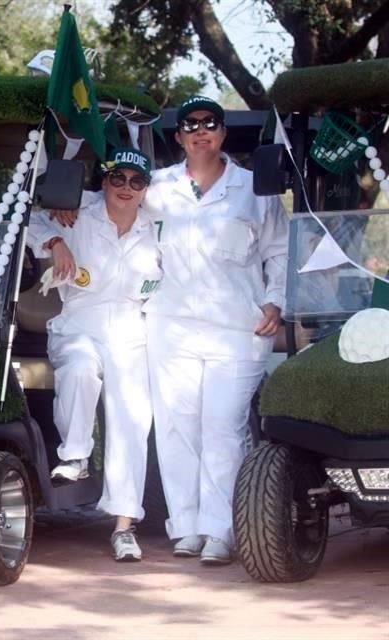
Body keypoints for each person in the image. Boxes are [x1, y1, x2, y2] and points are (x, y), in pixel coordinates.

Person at [140, 96, 288, 564]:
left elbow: (281, 251)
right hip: (172, 326)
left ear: (222, 134)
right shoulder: (156, 188)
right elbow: (117, 221)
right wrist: (60, 226)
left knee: (222, 425)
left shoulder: (253, 187)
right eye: (191, 125)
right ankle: (185, 526)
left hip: (238, 327)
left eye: (210, 123)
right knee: (178, 427)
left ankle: (223, 529)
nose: (201, 131)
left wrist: (277, 300)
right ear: (179, 136)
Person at [28, 147, 161, 562]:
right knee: (82, 368)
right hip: (79, 319)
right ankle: (76, 455)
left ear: (145, 189)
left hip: (131, 325)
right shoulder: (77, 210)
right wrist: (55, 241)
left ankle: (124, 525)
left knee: (131, 417)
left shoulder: (158, 227)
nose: (126, 188)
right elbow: (28, 222)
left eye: (136, 181)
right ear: (103, 181)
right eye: (117, 179)